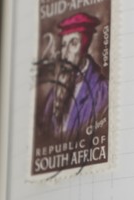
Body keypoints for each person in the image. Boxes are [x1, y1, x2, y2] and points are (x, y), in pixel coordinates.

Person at [40, 12, 108, 140]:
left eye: (73, 43)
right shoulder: (55, 92)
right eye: (64, 45)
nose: (65, 53)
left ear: (84, 49)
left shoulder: (102, 90)